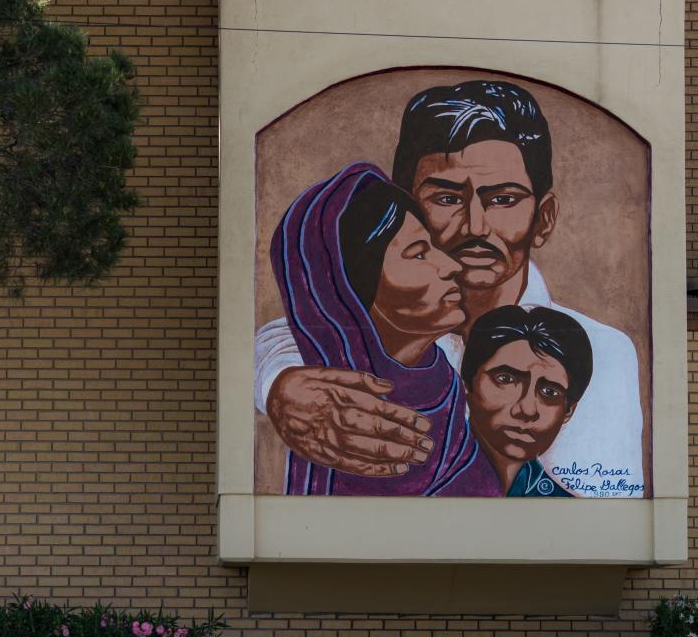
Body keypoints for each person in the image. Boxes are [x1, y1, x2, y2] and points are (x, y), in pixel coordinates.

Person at [257, 80, 644, 497]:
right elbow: (291, 333)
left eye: (503, 200)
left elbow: (605, 517)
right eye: (446, 198)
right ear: (405, 208)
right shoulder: (356, 334)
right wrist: (280, 385)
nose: (476, 226)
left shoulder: (604, 354)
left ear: (544, 217)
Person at [270, 161, 500, 497]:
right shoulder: (331, 418)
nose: (451, 266)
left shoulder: (446, 384)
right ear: (352, 291)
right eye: (419, 254)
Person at [461, 306, 592, 498]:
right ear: (467, 384)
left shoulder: (560, 506)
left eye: (549, 392)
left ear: (568, 411)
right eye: (505, 379)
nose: (527, 409)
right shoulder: (420, 479)